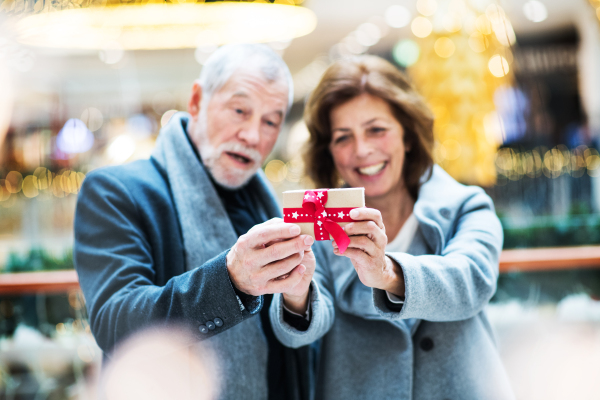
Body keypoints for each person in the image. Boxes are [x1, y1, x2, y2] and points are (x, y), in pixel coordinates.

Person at [74, 43, 332, 400]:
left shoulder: (269, 205)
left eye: (271, 121)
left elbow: (296, 348)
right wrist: (231, 280)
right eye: (240, 110)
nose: (253, 135)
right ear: (196, 102)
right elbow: (117, 325)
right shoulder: (116, 192)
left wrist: (297, 298)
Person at [270, 55, 515, 399]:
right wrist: (295, 293)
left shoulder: (466, 206)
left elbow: (472, 281)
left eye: (376, 130)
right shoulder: (320, 227)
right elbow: (298, 334)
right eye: (343, 137)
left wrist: (386, 273)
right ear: (329, 153)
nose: (362, 150)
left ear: (408, 136)